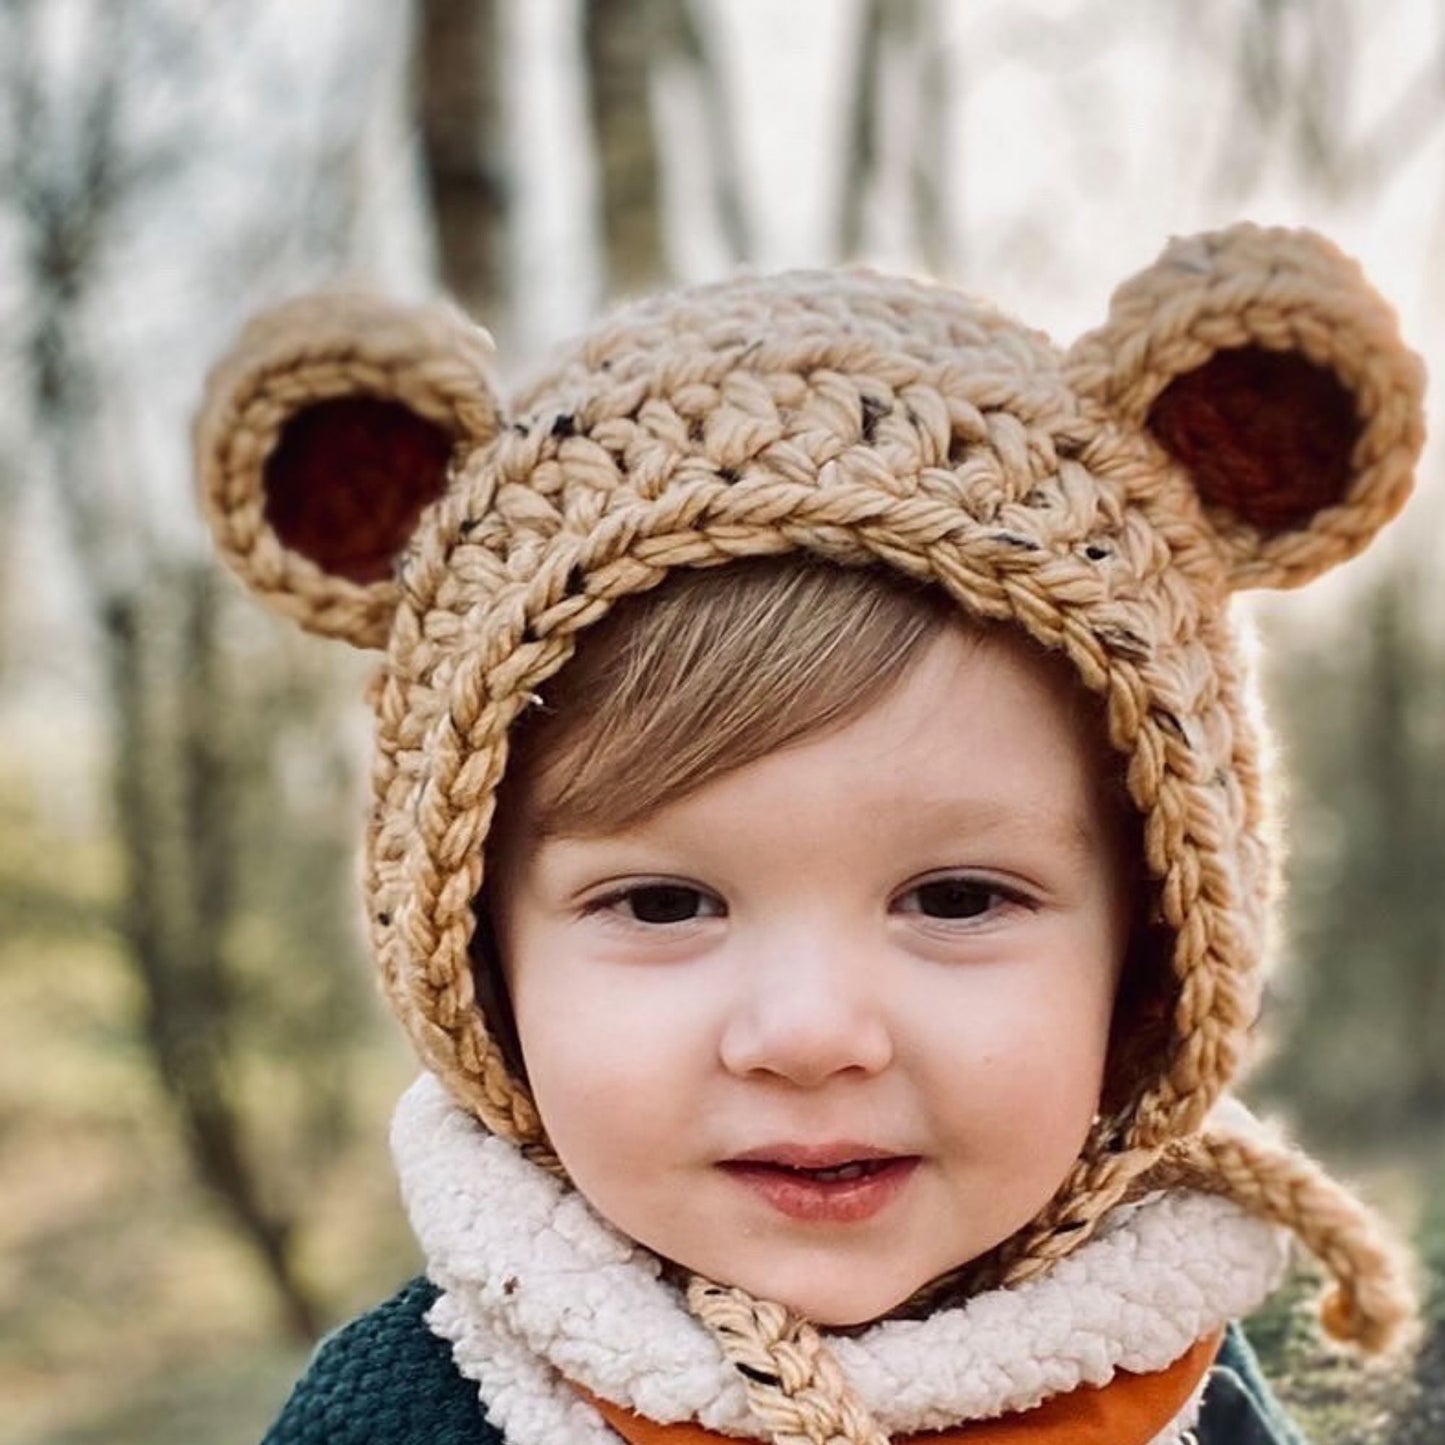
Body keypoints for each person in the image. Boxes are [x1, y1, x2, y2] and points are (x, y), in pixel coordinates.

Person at [195, 223, 1424, 1445]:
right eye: (664, 903)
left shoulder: (1174, 1361)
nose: (808, 1034)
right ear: (480, 969)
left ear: (1152, 959)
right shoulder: (403, 1416)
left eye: (953, 898)